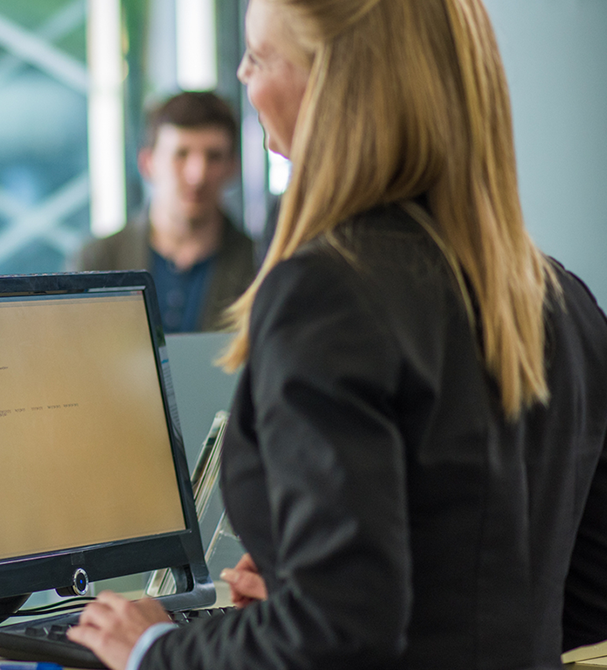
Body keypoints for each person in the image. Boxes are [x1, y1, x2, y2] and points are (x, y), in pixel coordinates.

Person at [65, 0, 607, 668]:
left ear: (333, 82)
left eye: (260, 56)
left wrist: (154, 648)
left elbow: (339, 633)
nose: (241, 74)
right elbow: (582, 596)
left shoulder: (327, 293)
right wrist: (312, 606)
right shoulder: (556, 294)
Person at [73, 91, 256, 333]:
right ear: (147, 163)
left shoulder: (260, 265)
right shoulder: (97, 262)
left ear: (232, 166)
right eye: (180, 154)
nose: (197, 175)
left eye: (213, 157)